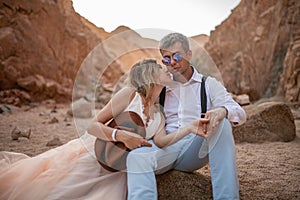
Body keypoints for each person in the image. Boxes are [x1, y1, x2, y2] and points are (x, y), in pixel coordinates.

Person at [0, 59, 209, 200]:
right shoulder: (129, 95)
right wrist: (121, 135)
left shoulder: (160, 113)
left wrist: (189, 129)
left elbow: (162, 141)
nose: (168, 70)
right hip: (96, 153)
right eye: (163, 69)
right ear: (151, 75)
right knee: (58, 192)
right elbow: (92, 125)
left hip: (118, 168)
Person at [126, 33, 247, 200]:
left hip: (194, 149)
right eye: (167, 59)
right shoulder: (161, 87)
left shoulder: (208, 84)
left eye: (177, 55)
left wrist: (222, 111)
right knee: (136, 157)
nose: (173, 62)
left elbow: (239, 112)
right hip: (166, 147)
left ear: (189, 54)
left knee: (222, 124)